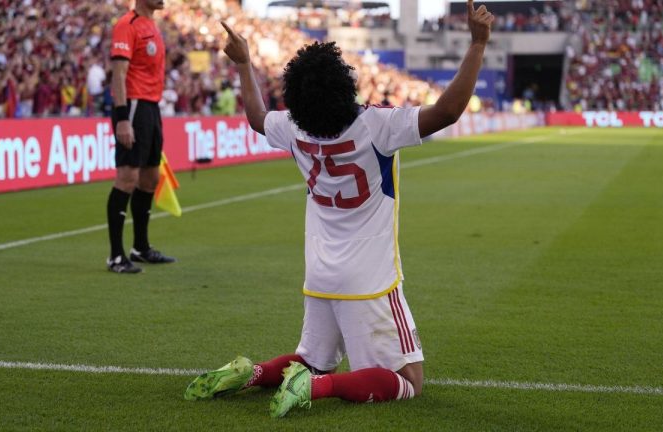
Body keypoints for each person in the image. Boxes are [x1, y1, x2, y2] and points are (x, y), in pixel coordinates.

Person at [184, 0, 494, 418]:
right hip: (369, 279)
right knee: (409, 381)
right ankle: (316, 387)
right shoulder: (377, 126)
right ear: (344, 85)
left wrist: (244, 64)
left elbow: (258, 117)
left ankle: (252, 374)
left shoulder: (293, 127)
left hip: (319, 271)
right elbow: (448, 111)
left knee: (311, 356)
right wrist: (477, 43)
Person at [105, 0, 176, 274]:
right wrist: (123, 118)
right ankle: (115, 255)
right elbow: (119, 75)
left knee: (150, 178)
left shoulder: (152, 25)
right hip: (133, 106)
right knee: (127, 177)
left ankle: (141, 247)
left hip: (151, 106)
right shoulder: (127, 25)